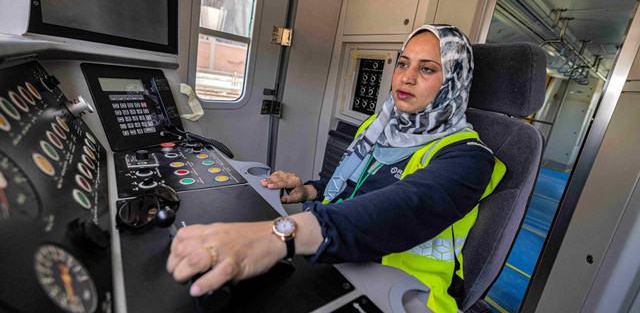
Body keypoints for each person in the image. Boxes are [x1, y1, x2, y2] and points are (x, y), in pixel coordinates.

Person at [166, 24, 506, 312]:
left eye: (427, 69)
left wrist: (278, 236)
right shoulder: (380, 125)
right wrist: (309, 189)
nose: (407, 77)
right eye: (403, 64)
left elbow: (403, 207)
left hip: (399, 289)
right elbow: (351, 185)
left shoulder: (469, 158)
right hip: (337, 252)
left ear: (454, 82)